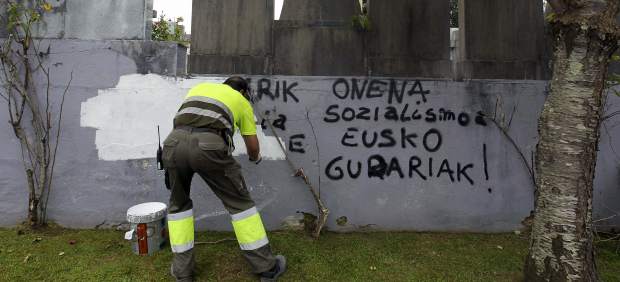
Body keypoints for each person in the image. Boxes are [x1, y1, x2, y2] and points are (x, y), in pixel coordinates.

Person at [162, 76, 286, 282]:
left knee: (178, 207)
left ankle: (182, 273)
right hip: (209, 145)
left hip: (173, 143)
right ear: (244, 92)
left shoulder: (199, 88)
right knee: (241, 206)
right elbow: (252, 146)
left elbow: (182, 119)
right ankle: (267, 268)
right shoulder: (242, 102)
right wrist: (255, 158)